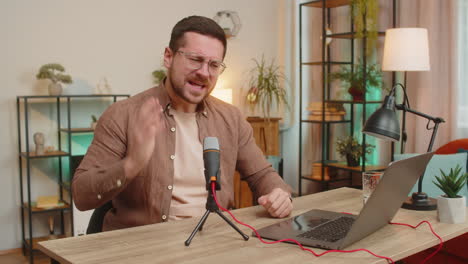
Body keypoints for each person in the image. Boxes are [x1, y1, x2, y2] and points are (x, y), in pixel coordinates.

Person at [72, 15, 292, 232]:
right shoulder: (123, 114)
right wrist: (131, 164)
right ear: (168, 57)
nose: (204, 73)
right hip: (143, 247)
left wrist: (279, 194)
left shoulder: (231, 118)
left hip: (214, 241)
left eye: (214, 65)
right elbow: (81, 196)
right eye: (195, 60)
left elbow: (262, 175)